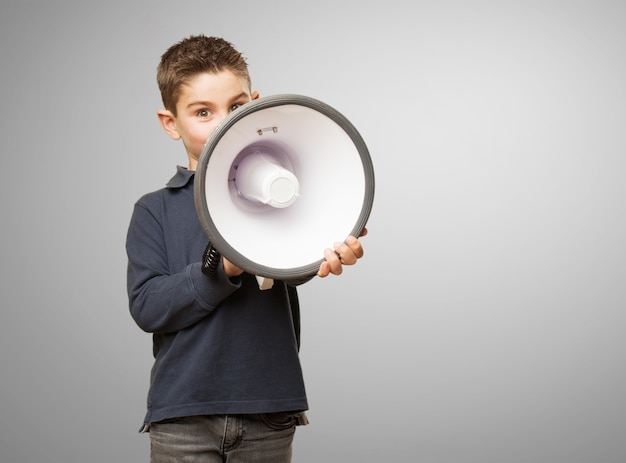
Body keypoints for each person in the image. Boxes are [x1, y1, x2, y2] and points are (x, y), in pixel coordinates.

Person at [126, 35, 367, 463]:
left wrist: (326, 240)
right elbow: (147, 307)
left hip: (267, 408)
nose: (223, 123)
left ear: (256, 104)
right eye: (203, 112)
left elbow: (290, 267)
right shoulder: (155, 210)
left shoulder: (287, 188)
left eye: (237, 108)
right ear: (170, 122)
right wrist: (223, 270)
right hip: (184, 413)